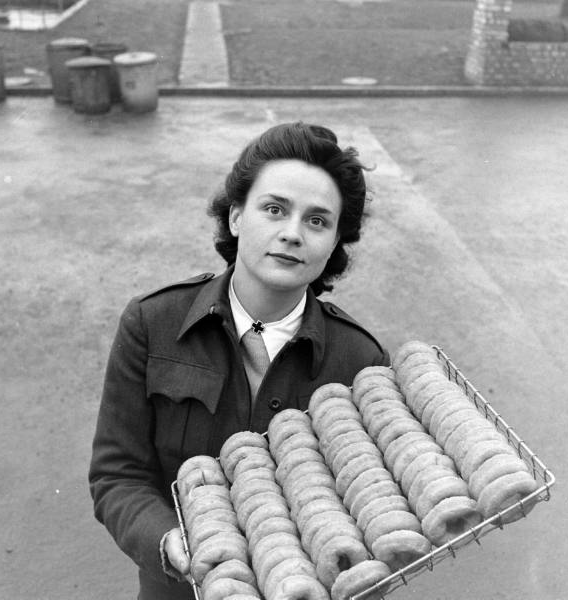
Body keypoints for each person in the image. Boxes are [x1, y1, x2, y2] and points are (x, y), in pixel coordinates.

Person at [88, 121, 391, 600]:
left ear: (335, 241)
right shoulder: (153, 324)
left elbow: (371, 501)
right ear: (235, 217)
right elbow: (117, 475)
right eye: (274, 209)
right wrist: (171, 545)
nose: (292, 234)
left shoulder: (362, 362)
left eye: (317, 221)